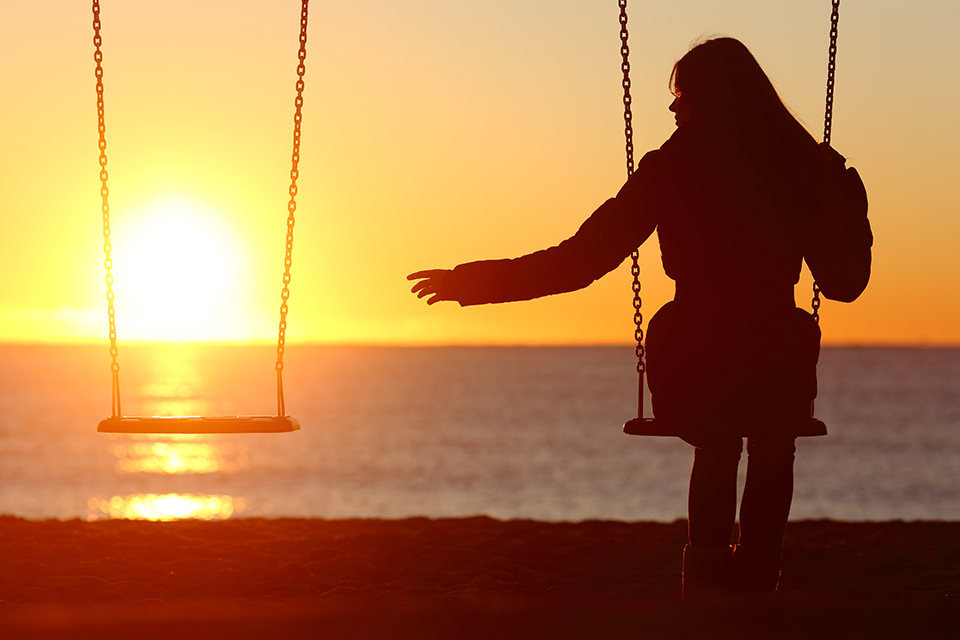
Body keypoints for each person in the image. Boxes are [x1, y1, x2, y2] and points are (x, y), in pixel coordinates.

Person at [408, 37, 870, 602]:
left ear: (712, 99)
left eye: (682, 95)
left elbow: (579, 261)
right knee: (772, 444)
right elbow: (846, 285)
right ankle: (755, 586)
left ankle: (707, 591)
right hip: (776, 351)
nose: (673, 109)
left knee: (720, 443)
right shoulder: (800, 166)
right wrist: (848, 208)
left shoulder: (672, 168)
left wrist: (473, 283)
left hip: (698, 352)